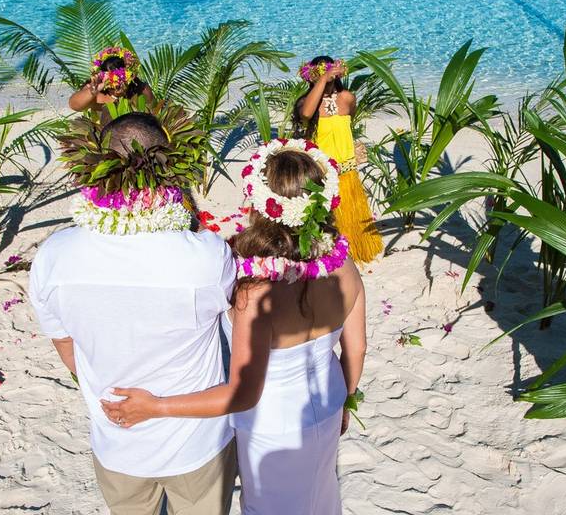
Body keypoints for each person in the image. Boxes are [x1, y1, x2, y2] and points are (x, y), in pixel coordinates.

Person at [101, 138, 367, 515]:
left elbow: (243, 395)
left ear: (262, 203)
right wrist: (344, 402)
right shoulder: (343, 265)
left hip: (274, 428)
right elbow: (356, 349)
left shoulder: (256, 293)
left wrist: (154, 407)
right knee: (320, 501)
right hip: (327, 405)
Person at [28, 103, 237, 514]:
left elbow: (69, 350)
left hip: (116, 439)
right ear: (170, 169)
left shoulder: (54, 255)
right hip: (195, 442)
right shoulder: (205, 258)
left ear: (98, 168)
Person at [293, 56, 382, 264]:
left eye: (330, 76)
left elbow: (350, 118)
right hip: (321, 171)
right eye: (321, 76)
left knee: (350, 213)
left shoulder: (347, 98)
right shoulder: (306, 104)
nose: (327, 80)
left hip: (347, 168)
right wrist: (323, 79)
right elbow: (306, 114)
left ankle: (355, 248)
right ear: (313, 78)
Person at [69, 46, 155, 113]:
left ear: (129, 77)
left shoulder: (141, 90)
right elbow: (74, 105)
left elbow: (155, 114)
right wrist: (92, 93)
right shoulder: (96, 93)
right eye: (110, 82)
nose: (116, 86)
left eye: (119, 79)